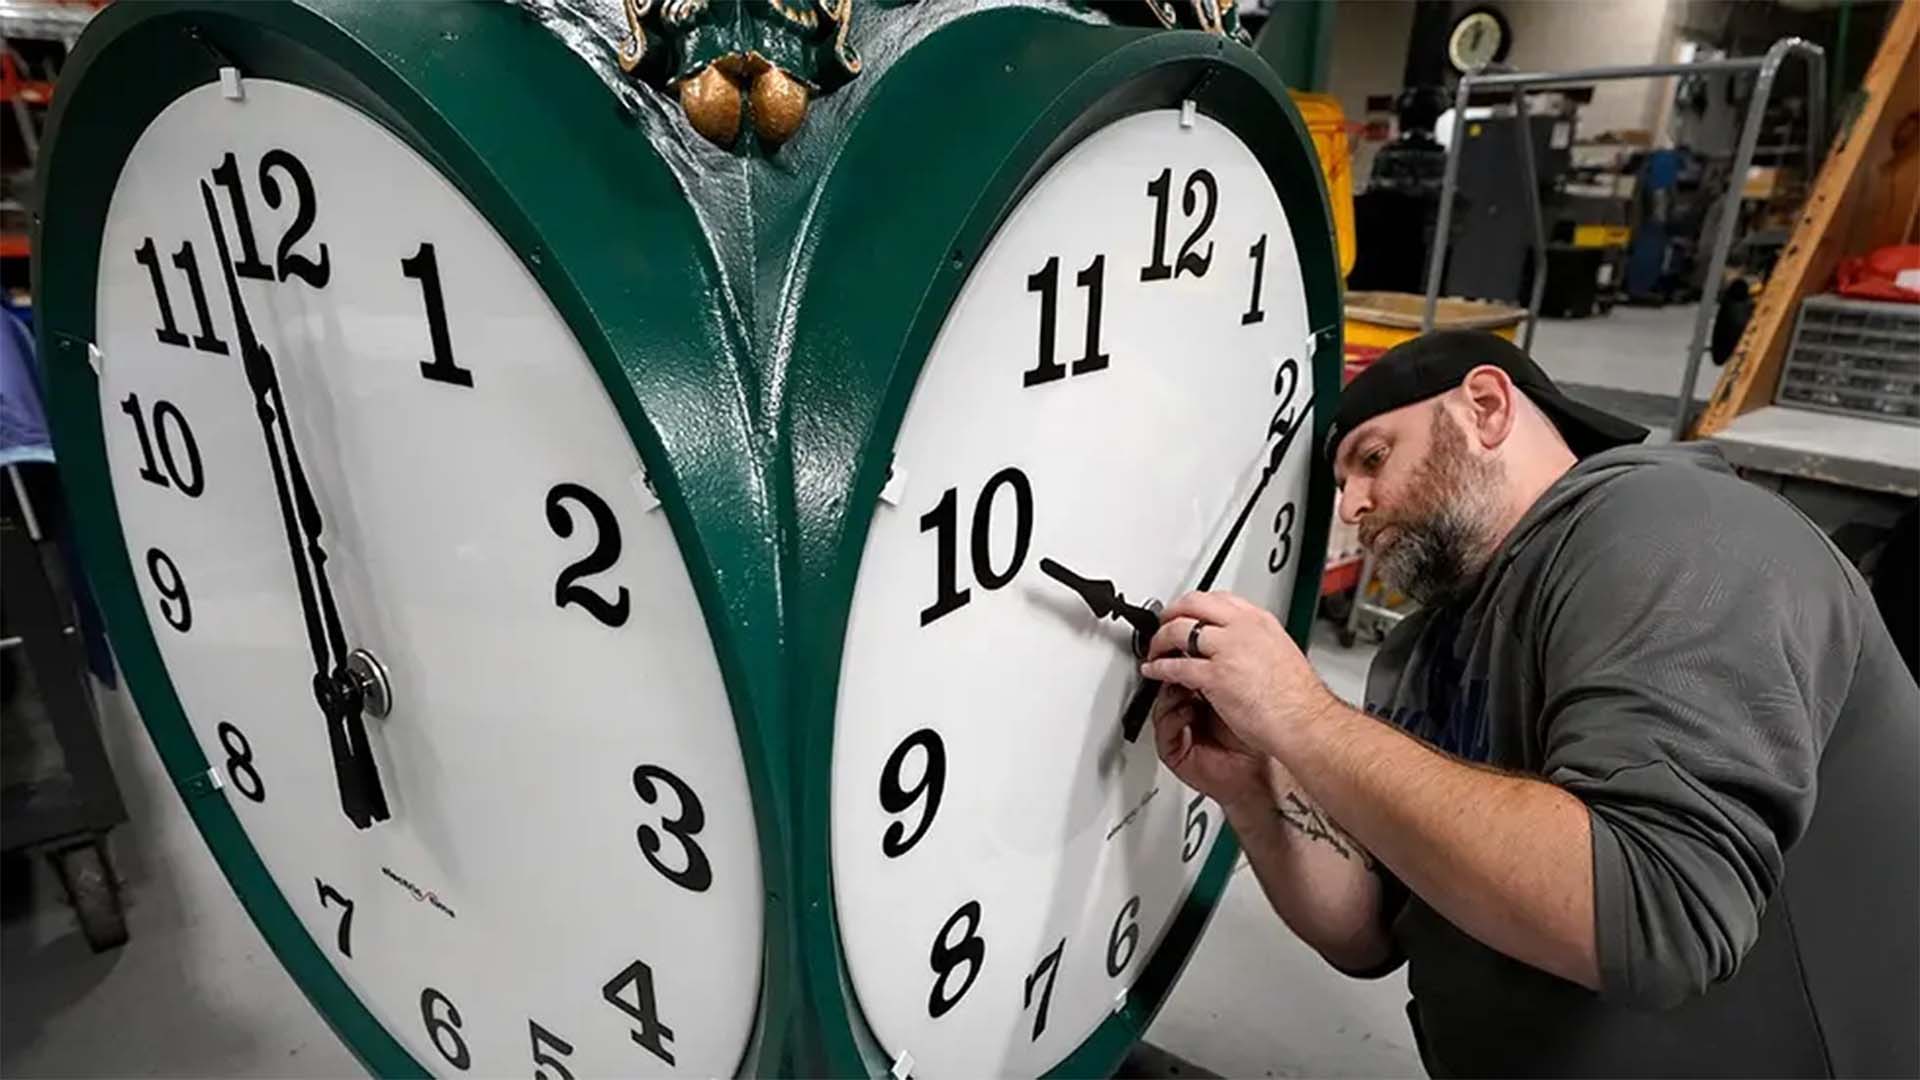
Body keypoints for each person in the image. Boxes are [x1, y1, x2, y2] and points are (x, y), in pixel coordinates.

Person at [1142, 330, 1919, 1078]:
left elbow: (1657, 913)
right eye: (1344, 485)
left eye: (1373, 458)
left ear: (1485, 408)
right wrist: (1258, 780)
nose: (1352, 507)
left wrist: (1304, 715)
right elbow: (1371, 931)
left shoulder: (1679, 531)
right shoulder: (1427, 652)